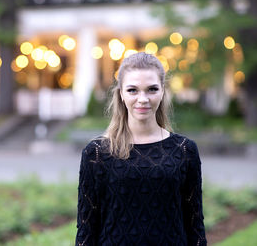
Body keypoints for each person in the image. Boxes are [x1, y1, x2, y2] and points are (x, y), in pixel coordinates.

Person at [75, 52, 207, 246]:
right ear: (121, 93)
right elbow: (87, 228)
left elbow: (195, 224)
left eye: (152, 89)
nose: (143, 98)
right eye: (133, 90)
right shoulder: (97, 153)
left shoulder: (184, 150)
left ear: (163, 91)